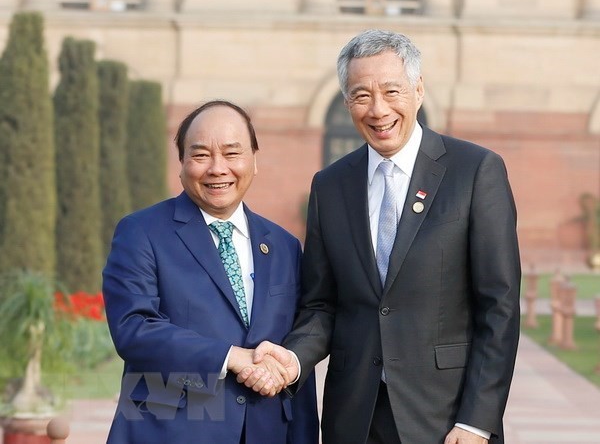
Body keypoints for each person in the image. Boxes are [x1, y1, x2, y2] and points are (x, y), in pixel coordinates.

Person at [244, 29, 521, 444]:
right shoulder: (330, 185)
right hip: (355, 418)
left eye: (392, 91)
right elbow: (322, 304)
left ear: (418, 90)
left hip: (446, 420)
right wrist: (293, 359)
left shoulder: (476, 171)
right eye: (361, 96)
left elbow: (499, 306)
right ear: (346, 103)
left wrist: (477, 420)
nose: (378, 110)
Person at [102, 100, 319, 444]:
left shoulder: (283, 246)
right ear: (182, 164)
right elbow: (134, 328)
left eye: (232, 153)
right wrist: (230, 357)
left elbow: (293, 356)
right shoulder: (141, 232)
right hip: (170, 432)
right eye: (201, 155)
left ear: (254, 161)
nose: (218, 168)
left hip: (267, 431)